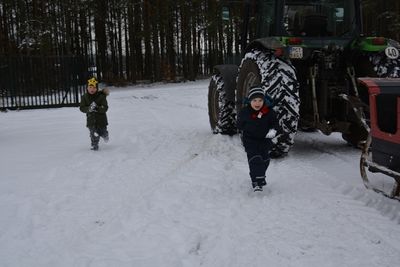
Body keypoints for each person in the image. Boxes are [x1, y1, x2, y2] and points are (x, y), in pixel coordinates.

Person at [237, 86, 278, 192]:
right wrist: (242, 130)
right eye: (254, 100)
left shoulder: (269, 112)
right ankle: (257, 182)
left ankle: (259, 175)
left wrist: (273, 130)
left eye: (260, 100)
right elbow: (239, 125)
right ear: (250, 101)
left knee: (265, 160)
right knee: (255, 159)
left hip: (265, 140)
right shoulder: (245, 112)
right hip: (250, 140)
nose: (257, 103)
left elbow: (275, 124)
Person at [79, 77, 110, 151]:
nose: (92, 89)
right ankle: (94, 145)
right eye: (90, 87)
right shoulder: (84, 97)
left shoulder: (101, 97)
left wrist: (97, 108)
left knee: (102, 132)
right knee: (93, 133)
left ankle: (105, 135)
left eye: (94, 87)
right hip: (91, 120)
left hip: (101, 120)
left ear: (97, 88)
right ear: (87, 88)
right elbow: (82, 107)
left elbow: (105, 108)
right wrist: (88, 109)